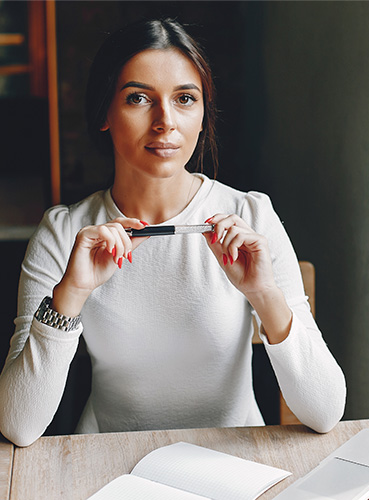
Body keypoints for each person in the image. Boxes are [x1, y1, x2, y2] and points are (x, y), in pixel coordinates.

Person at [0, 18, 346, 447]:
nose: (166, 122)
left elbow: (326, 411)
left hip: (234, 464)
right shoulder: (65, 232)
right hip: (108, 465)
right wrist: (70, 293)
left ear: (202, 116)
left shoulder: (249, 215)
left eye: (185, 98)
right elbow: (18, 425)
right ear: (104, 112)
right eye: (139, 98)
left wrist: (264, 295)